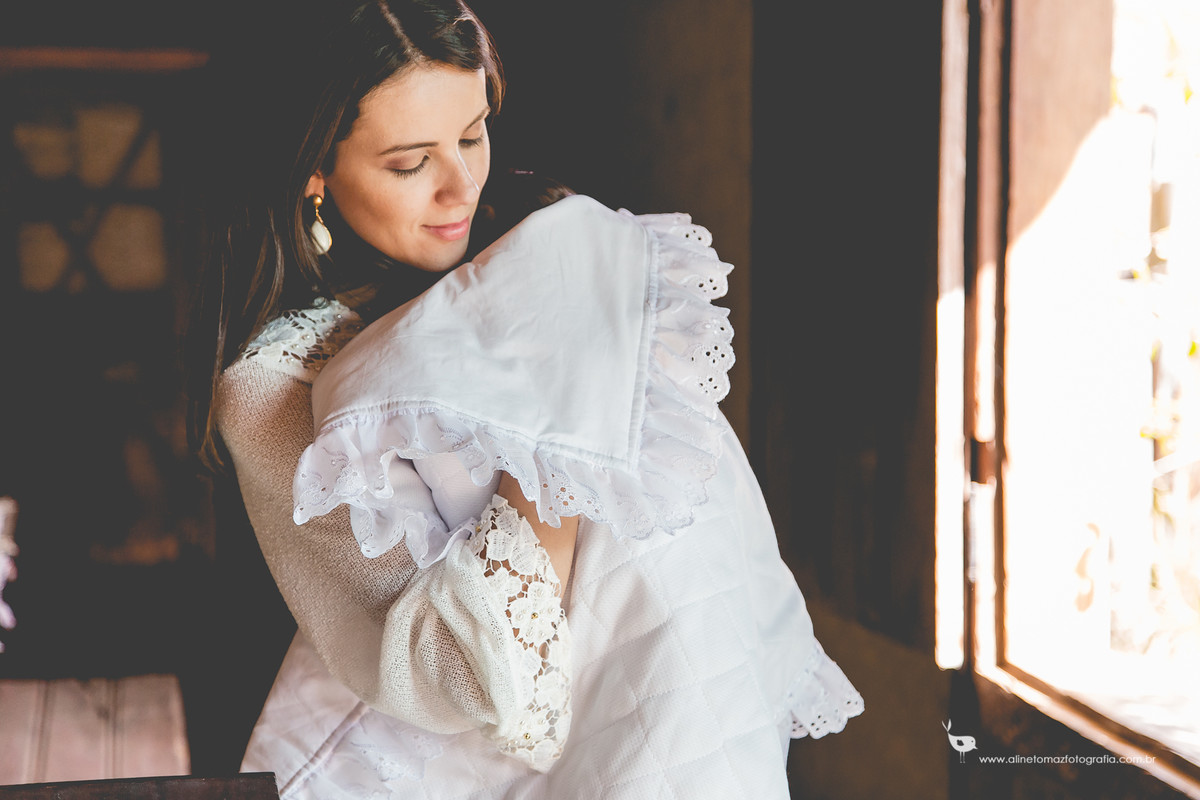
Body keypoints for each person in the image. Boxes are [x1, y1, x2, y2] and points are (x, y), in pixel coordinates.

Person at [186, 1, 863, 797]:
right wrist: (552, 438)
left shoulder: (540, 238)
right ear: (313, 170)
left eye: (473, 135)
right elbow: (452, 676)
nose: (461, 187)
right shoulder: (274, 384)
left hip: (691, 697)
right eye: (410, 164)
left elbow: (697, 501)